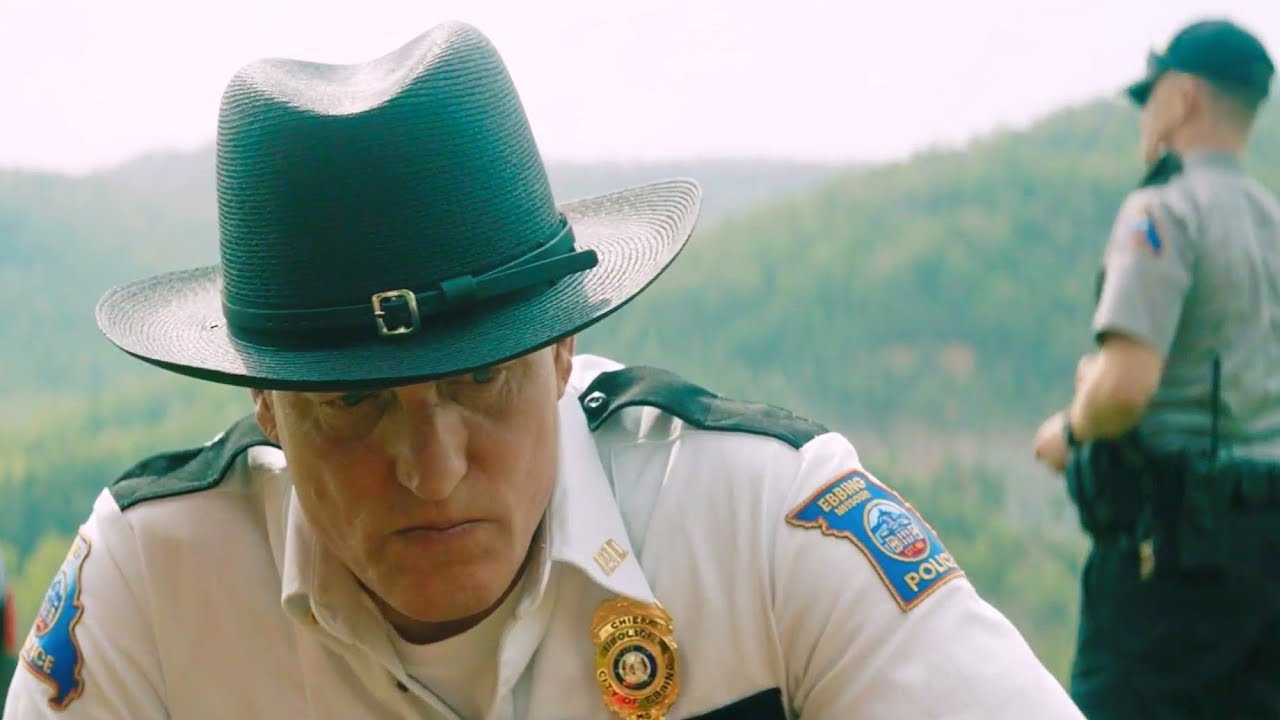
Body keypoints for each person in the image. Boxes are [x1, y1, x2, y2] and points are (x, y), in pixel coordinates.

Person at [5, 21, 1085, 719]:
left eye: (480, 379)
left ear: (563, 348)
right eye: (352, 402)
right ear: (268, 411)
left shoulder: (763, 525)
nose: (431, 468)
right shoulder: (154, 582)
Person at [1032, 17, 1280, 720]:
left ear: (1184, 96)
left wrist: (1069, 429)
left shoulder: (1163, 213)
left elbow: (1125, 388)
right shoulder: (1270, 220)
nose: (1145, 113)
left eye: (1151, 96)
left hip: (1173, 556)